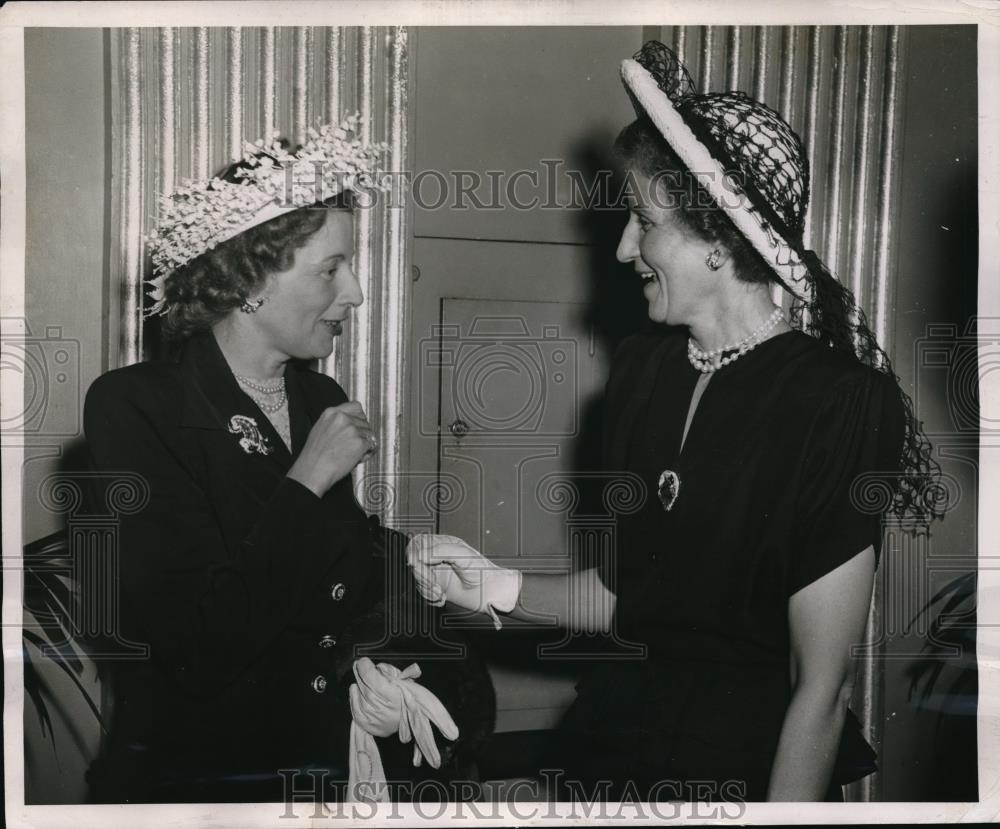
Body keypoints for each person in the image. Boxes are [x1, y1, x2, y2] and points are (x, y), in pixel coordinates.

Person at [407, 42, 944, 803]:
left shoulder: (838, 402)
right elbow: (635, 599)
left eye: (642, 220)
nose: (625, 247)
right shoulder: (642, 372)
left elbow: (819, 687)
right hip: (614, 748)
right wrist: (492, 583)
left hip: (745, 769)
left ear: (720, 241)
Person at [82, 119, 494, 804]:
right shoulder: (135, 405)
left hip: (323, 758)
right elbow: (197, 642)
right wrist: (307, 479)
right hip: (206, 779)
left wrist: (407, 561)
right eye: (331, 269)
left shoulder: (317, 394)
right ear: (248, 279)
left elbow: (330, 577)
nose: (356, 293)